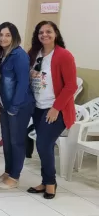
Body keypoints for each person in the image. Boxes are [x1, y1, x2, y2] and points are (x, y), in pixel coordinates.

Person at [26, 21, 77, 199]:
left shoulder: (64, 55)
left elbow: (71, 86)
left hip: (56, 109)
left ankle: (50, 183)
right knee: (42, 146)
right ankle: (45, 180)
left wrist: (56, 108)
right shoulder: (33, 54)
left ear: (56, 33)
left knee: (43, 144)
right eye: (41, 32)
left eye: (49, 31)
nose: (44, 35)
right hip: (38, 108)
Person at [0, 22, 35, 190]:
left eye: (7, 35)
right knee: (7, 142)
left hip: (18, 106)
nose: (3, 38)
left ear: (15, 37)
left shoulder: (19, 55)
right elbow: (9, 78)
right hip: (5, 106)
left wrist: (14, 107)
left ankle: (14, 176)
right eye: (0, 35)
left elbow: (23, 82)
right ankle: (8, 172)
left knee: (16, 141)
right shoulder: (3, 54)